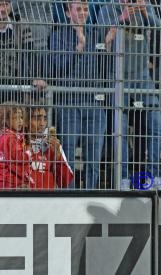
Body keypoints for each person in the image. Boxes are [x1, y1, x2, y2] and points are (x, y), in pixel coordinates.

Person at [98, 0, 161, 190]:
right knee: (121, 127)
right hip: (117, 75)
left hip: (142, 74)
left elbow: (158, 26)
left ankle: (154, 175)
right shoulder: (107, 10)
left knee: (156, 123)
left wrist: (143, 12)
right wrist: (122, 18)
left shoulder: (144, 5)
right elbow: (102, 38)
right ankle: (123, 177)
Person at [51, 0, 109, 189]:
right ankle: (69, 193)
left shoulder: (96, 34)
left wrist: (107, 45)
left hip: (94, 102)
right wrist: (78, 48)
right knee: (67, 152)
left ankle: (91, 191)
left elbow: (105, 67)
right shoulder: (58, 35)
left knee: (94, 155)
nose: (83, 12)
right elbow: (58, 67)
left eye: (85, 9)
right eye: (78, 9)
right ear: (68, 13)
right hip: (68, 103)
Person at [0, 0, 47, 105]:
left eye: (5, 4)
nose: (2, 9)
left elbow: (31, 53)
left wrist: (37, 77)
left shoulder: (20, 24)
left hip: (15, 86)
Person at [26, 103, 74, 190]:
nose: (42, 124)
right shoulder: (17, 143)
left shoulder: (53, 145)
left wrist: (58, 156)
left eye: (44, 119)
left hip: (48, 199)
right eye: (37, 118)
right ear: (26, 122)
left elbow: (65, 182)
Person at [0, 102, 30, 190]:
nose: (20, 120)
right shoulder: (9, 138)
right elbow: (17, 159)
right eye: (15, 118)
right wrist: (29, 153)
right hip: (4, 184)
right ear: (7, 121)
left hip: (4, 182)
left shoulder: (11, 135)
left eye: (21, 117)